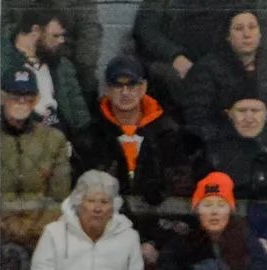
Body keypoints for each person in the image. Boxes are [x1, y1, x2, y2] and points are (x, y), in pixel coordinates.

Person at [0, 64, 74, 243]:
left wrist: (35, 230)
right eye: (15, 97)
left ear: (36, 100)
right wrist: (3, 228)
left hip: (43, 236)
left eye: (28, 97)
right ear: (1, 97)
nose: (21, 102)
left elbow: (60, 198)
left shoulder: (54, 139)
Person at [154, 171, 267, 270]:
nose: (214, 212)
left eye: (221, 205)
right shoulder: (184, 244)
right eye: (207, 205)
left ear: (230, 210)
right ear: (197, 210)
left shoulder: (248, 244)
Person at [132, 0, 267, 121]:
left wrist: (247, 59)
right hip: (181, 68)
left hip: (233, 64)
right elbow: (146, 28)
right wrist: (174, 56)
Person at [78, 55, 188, 216]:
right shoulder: (90, 137)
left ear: (144, 87)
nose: (125, 92)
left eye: (132, 84)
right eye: (118, 85)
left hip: (160, 223)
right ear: (107, 89)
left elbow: (181, 186)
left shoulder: (169, 133)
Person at [0, 8, 94, 138]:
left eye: (62, 36)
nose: (61, 41)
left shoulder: (61, 66)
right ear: (36, 30)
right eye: (55, 36)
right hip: (19, 141)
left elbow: (79, 115)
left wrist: (83, 139)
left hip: (60, 140)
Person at [183, 10, 267, 152]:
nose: (247, 34)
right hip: (221, 152)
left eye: (252, 27)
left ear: (260, 34)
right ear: (227, 36)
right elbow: (197, 121)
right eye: (239, 28)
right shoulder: (205, 70)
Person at [202, 97, 267, 214]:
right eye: (242, 111)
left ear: (266, 115)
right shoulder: (213, 154)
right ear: (229, 114)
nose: (249, 119)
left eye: (255, 111)